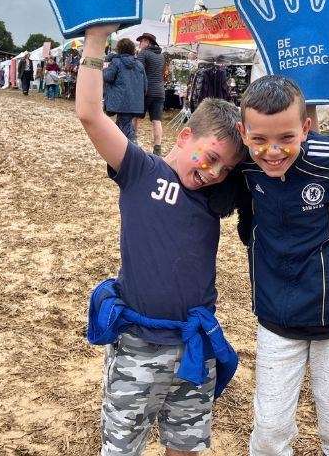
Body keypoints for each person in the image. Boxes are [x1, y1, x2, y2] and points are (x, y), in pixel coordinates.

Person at [76, 24, 247, 455]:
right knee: (121, 447)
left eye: (224, 169)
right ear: (184, 135)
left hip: (194, 345)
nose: (213, 173)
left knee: (187, 448)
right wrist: (96, 41)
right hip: (138, 345)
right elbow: (91, 115)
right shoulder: (140, 170)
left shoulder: (214, 197)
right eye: (210, 158)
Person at [236, 75, 329, 456]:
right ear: (243, 132)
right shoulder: (242, 165)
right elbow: (198, 172)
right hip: (276, 319)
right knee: (270, 431)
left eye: (286, 138)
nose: (272, 151)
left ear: (306, 128)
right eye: (259, 139)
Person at [103, 38, 146, 142]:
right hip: (135, 102)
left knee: (126, 128)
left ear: (119, 49)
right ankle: (118, 147)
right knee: (121, 125)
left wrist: (105, 68)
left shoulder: (116, 62)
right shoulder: (139, 64)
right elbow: (145, 85)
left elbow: (108, 77)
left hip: (121, 101)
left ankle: (135, 150)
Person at [134, 32, 166, 155]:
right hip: (159, 91)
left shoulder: (144, 53)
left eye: (142, 41)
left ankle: (133, 142)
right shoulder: (161, 56)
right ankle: (157, 148)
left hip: (145, 91)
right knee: (157, 121)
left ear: (147, 42)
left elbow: (138, 72)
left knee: (134, 116)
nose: (140, 43)